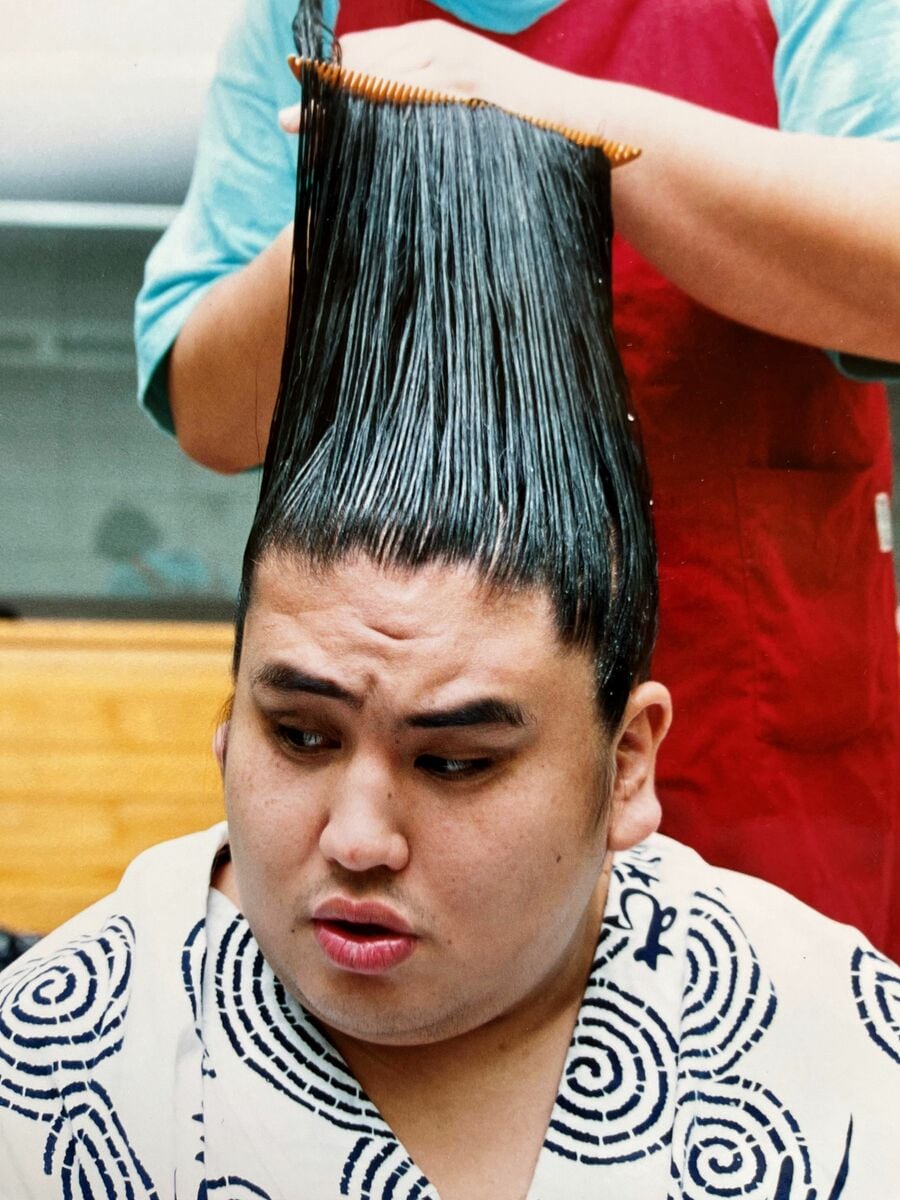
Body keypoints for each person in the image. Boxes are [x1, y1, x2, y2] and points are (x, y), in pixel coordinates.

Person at [5, 49, 898, 1196]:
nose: (357, 840)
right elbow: (205, 392)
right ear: (229, 724)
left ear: (631, 762)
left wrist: (536, 104)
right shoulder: (55, 1076)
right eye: (301, 735)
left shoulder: (842, 1066)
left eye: (455, 761)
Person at [134, 0, 900, 957]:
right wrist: (388, 170)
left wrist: (551, 111)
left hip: (763, 746)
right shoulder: (303, 17)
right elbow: (209, 408)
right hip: (430, 780)